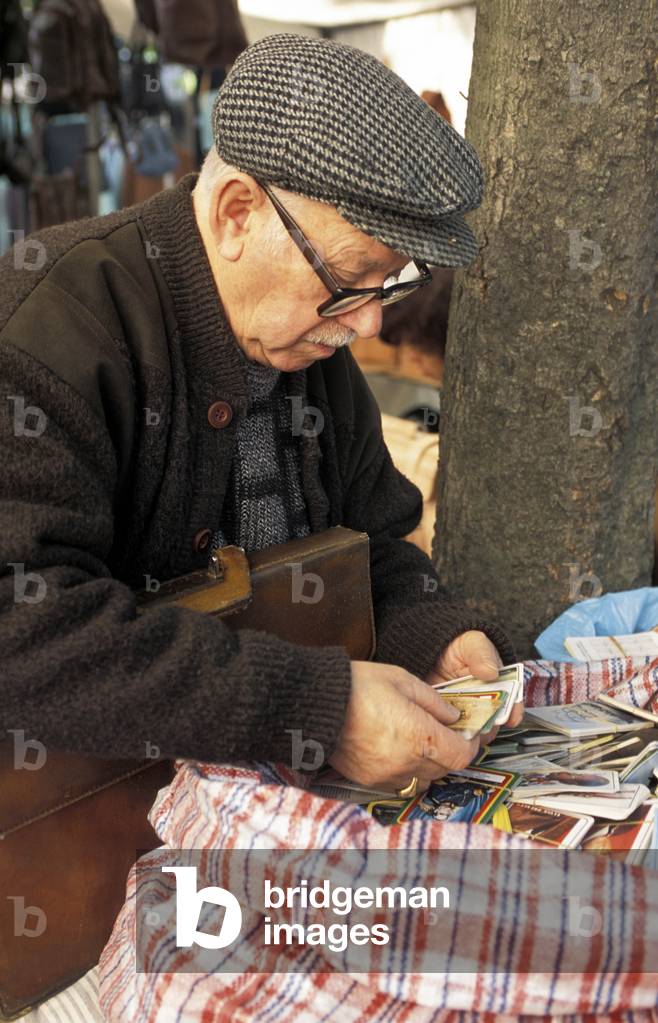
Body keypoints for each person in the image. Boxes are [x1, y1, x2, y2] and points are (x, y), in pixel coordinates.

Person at [0, 33, 520, 799]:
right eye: (349, 281)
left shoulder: (312, 344)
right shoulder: (47, 326)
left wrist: (433, 636)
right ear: (238, 211)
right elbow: (22, 629)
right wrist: (321, 709)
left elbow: (374, 544)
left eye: (388, 286)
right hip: (81, 843)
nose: (369, 326)